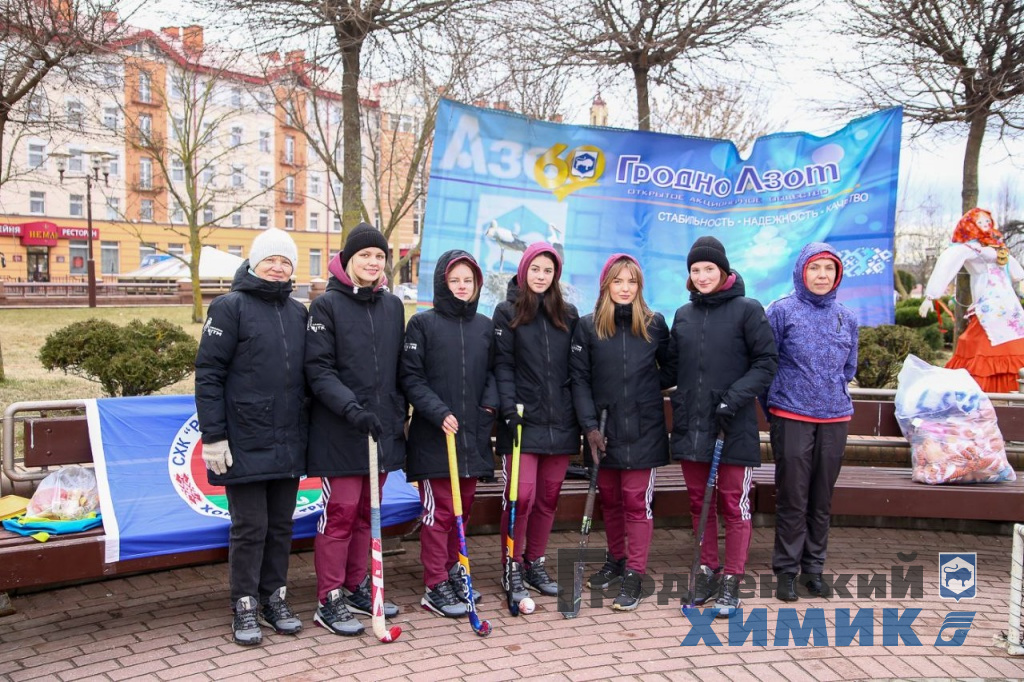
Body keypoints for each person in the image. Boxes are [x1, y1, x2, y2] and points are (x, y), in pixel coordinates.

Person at [194, 227, 308, 646]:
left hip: (288, 438)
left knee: (281, 525)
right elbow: (208, 374)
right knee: (250, 526)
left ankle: (273, 597)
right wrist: (213, 436)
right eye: (270, 260)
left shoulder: (299, 313)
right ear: (254, 262)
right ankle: (244, 603)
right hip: (243, 438)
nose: (277, 268)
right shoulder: (229, 308)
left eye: (285, 262)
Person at [664, 236, 777, 618]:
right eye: (695, 270)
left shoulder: (748, 310)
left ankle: (732, 578)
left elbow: (766, 362)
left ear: (724, 270)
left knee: (733, 503)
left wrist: (734, 397)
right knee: (701, 503)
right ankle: (708, 569)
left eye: (708, 268)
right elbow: (670, 368)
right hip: (692, 426)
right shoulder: (683, 314)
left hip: (732, 426)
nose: (701, 276)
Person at [305, 223, 406, 636]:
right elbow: (319, 369)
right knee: (341, 513)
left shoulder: (393, 306)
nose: (372, 262)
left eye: (379, 256)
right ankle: (328, 598)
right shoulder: (325, 306)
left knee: (370, 512)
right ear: (348, 260)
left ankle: (357, 584)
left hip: (379, 432)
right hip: (340, 432)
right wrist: (352, 409)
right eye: (365, 255)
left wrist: (397, 414)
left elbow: (399, 369)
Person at [569, 253, 670, 612]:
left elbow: (671, 368)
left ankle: (635, 574)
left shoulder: (655, 324)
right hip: (604, 430)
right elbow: (578, 380)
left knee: (634, 502)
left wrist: (642, 390)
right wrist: (590, 427)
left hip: (643, 430)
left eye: (631, 281)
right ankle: (616, 559)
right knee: (610, 499)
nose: (625, 288)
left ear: (639, 286)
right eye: (618, 281)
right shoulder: (588, 326)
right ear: (606, 285)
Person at [400, 249, 498, 618]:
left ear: (476, 286)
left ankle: (456, 570)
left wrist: (487, 409)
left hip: (471, 437)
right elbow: (411, 377)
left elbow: (494, 373)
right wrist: (437, 412)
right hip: (434, 438)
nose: (461, 286)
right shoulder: (422, 325)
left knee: (463, 507)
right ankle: (435, 582)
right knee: (438, 512)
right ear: (442, 282)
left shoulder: (485, 326)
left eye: (467, 281)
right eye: (454, 280)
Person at [765, 243, 858, 602]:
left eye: (828, 269)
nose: (822, 275)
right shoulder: (782, 311)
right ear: (802, 271)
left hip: (835, 417)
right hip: (791, 415)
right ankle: (786, 570)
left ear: (837, 275)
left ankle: (813, 569)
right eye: (815, 268)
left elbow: (849, 368)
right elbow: (767, 364)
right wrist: (777, 405)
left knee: (822, 497)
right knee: (793, 495)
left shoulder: (846, 317)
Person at [492, 242, 580, 604]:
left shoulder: (569, 314)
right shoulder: (506, 312)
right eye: (535, 269)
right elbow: (502, 366)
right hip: (522, 422)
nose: (541, 277)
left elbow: (578, 369)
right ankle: (511, 565)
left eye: (548, 271)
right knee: (521, 497)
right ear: (524, 271)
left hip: (560, 421)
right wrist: (510, 410)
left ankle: (534, 562)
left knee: (547, 498)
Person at [918, 207, 1024, 392]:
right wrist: (931, 295)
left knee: (1015, 338)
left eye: (987, 222)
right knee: (982, 342)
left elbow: (1014, 268)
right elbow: (947, 264)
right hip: (987, 301)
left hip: (1009, 302)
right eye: (980, 222)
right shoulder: (967, 248)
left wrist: (1021, 279)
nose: (985, 225)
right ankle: (978, 390)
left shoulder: (997, 245)